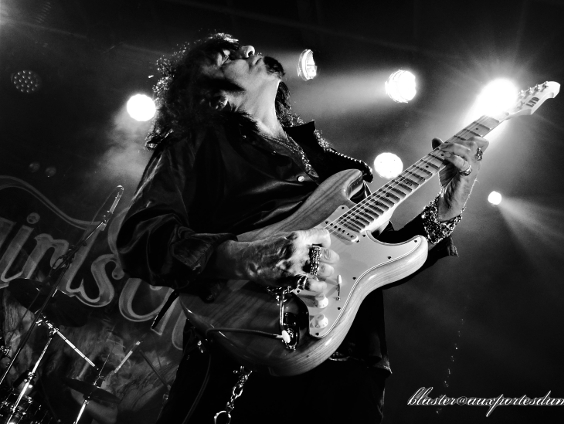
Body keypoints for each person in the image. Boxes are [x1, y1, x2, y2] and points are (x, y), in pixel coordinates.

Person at [116, 33, 487, 424]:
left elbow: (382, 259)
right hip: (247, 354)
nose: (248, 50)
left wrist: (451, 202)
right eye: (227, 58)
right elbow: (140, 237)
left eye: (242, 47)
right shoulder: (195, 144)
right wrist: (244, 258)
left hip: (352, 374)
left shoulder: (332, 165)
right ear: (214, 98)